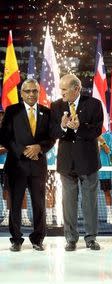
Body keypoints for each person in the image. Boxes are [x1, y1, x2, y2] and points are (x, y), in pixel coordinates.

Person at [0, 78, 55, 251]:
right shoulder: (11, 111)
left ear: (39, 93)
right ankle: (16, 239)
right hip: (17, 165)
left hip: (38, 166)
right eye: (27, 91)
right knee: (15, 204)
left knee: (39, 205)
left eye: (34, 91)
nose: (31, 94)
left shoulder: (47, 112)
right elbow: (4, 137)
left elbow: (52, 138)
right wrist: (22, 150)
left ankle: (38, 239)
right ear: (21, 93)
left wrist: (40, 147)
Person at [50, 74, 103, 251]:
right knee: (68, 202)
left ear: (77, 89)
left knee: (90, 202)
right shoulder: (56, 105)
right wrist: (63, 127)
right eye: (61, 89)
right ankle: (70, 238)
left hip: (88, 162)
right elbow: (53, 132)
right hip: (67, 163)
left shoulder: (94, 104)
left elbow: (96, 130)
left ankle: (91, 238)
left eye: (65, 89)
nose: (61, 92)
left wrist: (80, 127)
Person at [98, 133, 112, 224]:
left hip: (104, 170)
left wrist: (102, 142)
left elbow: (109, 151)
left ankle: (109, 215)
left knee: (107, 193)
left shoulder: (107, 136)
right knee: (88, 195)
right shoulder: (89, 133)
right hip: (91, 169)